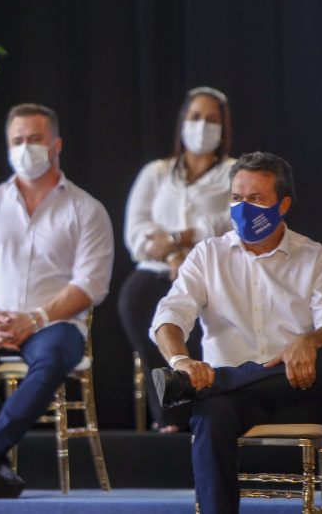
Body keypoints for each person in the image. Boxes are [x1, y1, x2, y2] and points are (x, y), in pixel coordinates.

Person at [149, 151, 322, 513]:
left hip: (298, 392)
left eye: (255, 199)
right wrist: (180, 360)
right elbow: (169, 315)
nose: (243, 208)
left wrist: (310, 339)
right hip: (231, 405)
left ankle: (213, 382)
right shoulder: (206, 256)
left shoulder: (317, 258)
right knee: (212, 414)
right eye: (235, 198)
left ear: (283, 204)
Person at [0, 104, 114, 499]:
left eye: (35, 139)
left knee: (51, 361)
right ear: (7, 147)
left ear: (56, 144)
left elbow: (91, 284)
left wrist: (37, 317)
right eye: (17, 141)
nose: (25, 148)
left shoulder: (87, 209)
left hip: (54, 325)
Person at [118, 87, 235, 432]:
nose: (202, 126)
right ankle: (169, 417)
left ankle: (207, 412)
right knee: (138, 308)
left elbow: (230, 221)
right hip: (156, 272)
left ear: (223, 128)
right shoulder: (156, 173)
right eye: (195, 117)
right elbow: (136, 232)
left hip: (211, 274)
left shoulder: (234, 172)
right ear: (182, 123)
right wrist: (173, 254)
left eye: (211, 119)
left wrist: (183, 242)